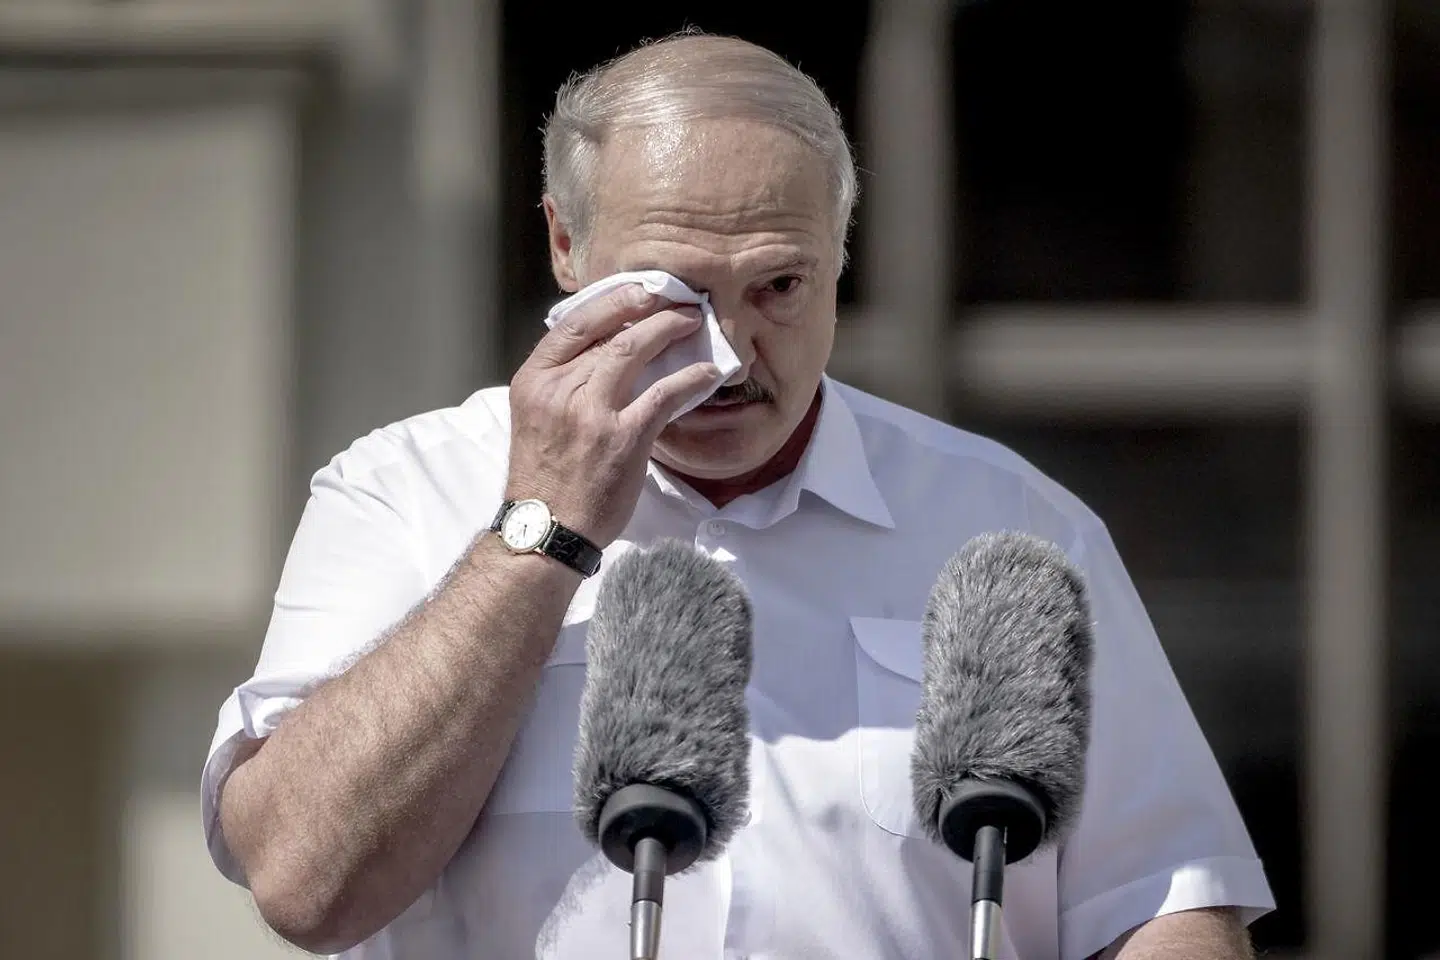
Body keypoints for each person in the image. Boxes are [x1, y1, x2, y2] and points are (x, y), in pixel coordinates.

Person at [202, 32, 1274, 959]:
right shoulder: (405, 492)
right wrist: (541, 532)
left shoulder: (1013, 525)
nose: (726, 354)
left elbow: (1166, 906)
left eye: (779, 287)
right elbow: (305, 884)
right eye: (673, 295)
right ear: (566, 246)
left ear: (839, 258)